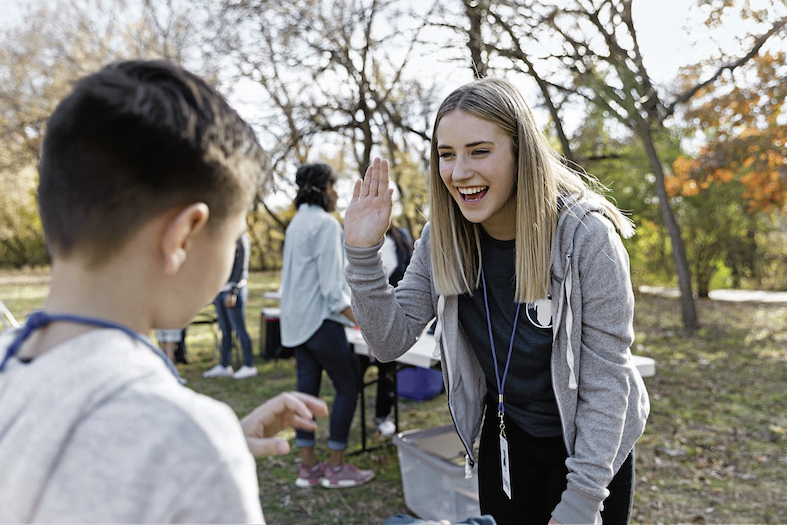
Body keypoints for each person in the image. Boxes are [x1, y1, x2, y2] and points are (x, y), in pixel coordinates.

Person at [0, 60, 329, 523]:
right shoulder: (189, 441)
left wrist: (210, 447)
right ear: (183, 237)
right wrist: (202, 453)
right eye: (233, 235)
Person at [343, 78, 650, 525]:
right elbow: (388, 341)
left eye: (479, 151)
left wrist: (582, 501)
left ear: (521, 153)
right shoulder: (441, 239)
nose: (459, 172)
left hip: (592, 448)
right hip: (509, 438)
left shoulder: (586, 238)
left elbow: (608, 380)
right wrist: (362, 253)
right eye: (446, 155)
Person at [279, 162, 374, 489]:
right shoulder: (326, 224)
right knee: (348, 387)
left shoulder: (296, 224)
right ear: (324, 188)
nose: (337, 193)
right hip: (320, 323)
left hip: (295, 326)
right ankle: (336, 467)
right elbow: (333, 291)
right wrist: (365, 323)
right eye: (335, 186)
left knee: (305, 395)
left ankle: (308, 469)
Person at [362, 223, 414, 436]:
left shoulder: (400, 237)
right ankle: (380, 417)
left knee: (387, 370)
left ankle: (382, 416)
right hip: (371, 315)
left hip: (396, 313)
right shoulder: (364, 239)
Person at [204, 233, 257, 379]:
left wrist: (233, 291)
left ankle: (249, 365)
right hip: (221, 290)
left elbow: (241, 268)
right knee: (225, 330)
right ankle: (224, 365)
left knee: (239, 329)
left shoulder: (241, 239)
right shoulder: (225, 237)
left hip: (234, 291)